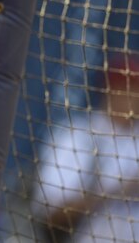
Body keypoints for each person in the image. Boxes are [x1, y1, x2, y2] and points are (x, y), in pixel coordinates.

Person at [31, 53, 139, 242]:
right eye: (126, 88)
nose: (132, 97)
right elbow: (51, 216)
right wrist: (122, 189)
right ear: (109, 89)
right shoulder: (76, 137)